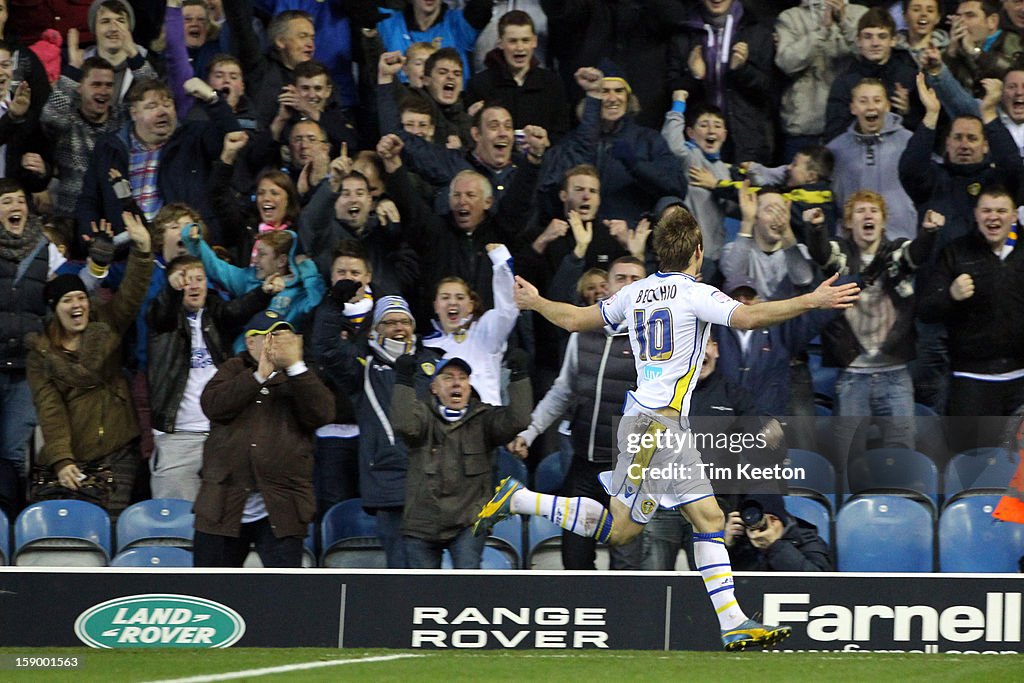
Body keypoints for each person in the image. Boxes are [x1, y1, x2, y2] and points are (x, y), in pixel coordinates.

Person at [476, 206, 860, 650]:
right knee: (631, 528)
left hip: (655, 423)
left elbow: (575, 321)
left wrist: (538, 301)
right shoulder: (695, 294)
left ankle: (732, 621)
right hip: (655, 426)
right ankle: (521, 499)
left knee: (702, 518)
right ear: (698, 252)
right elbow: (751, 318)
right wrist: (813, 300)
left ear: (659, 253)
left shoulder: (635, 293)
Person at [508, 256, 646, 570]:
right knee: (575, 562)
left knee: (626, 567)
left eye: (636, 279)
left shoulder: (656, 340)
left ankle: (622, 621)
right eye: (621, 278)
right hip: (583, 464)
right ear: (608, 286)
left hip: (628, 472)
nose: (628, 285)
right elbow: (562, 392)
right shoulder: (582, 334)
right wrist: (529, 432)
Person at [25, 211, 153, 515]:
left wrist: (143, 251)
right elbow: (50, 409)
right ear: (55, 309)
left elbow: (132, 293)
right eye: (68, 300)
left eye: (81, 298)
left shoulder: (106, 324)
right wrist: (62, 459)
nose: (77, 305)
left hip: (118, 448)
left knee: (108, 525)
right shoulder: (41, 354)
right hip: (71, 453)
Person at [193, 311, 334, 567]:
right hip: (223, 501)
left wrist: (295, 367)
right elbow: (212, 405)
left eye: (285, 337)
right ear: (251, 342)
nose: (278, 344)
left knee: (282, 593)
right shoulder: (234, 368)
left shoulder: (302, 378)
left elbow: (322, 414)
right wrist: (257, 376)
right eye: (271, 337)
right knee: (212, 589)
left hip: (282, 503)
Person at [146, 254, 272, 501]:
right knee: (175, 522)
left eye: (199, 279)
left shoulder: (216, 312)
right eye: (185, 280)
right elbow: (162, 314)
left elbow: (237, 310)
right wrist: (171, 292)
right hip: (178, 436)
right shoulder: (162, 320)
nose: (193, 285)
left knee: (229, 518)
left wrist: (263, 293)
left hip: (223, 432)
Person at [392, 352, 531, 569]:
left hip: (468, 521)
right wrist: (403, 381)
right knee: (420, 592)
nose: (456, 382)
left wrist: (520, 378)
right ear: (434, 388)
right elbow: (403, 424)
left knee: (467, 585)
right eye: (448, 377)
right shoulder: (422, 416)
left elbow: (519, 420)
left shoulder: (484, 418)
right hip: (422, 523)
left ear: (468, 386)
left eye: (463, 377)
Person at [918, 187, 1024, 422]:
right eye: (986, 210)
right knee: (973, 457)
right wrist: (950, 295)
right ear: (976, 214)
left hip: (1021, 378)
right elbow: (925, 310)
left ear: (1014, 216)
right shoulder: (955, 252)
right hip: (971, 379)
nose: (993, 216)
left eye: (1001, 210)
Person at [0, 179, 65, 489]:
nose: (15, 207)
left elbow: (69, 293)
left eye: (19, 201)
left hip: (28, 368)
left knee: (14, 450)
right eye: (6, 202)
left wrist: (97, 265)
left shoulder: (45, 248)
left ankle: (10, 523)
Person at [774, 0, 869, 159]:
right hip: (804, 127)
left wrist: (844, 23)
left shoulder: (861, 15)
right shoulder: (790, 18)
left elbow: (871, 56)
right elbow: (786, 63)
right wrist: (821, 31)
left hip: (850, 126)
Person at [827, 78, 918, 241]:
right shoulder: (836, 149)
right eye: (863, 101)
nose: (871, 106)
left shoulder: (910, 142)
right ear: (853, 108)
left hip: (902, 238)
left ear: (888, 106)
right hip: (855, 245)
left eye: (877, 100)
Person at [465, 10, 569, 140]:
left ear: (534, 42)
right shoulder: (479, 85)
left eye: (525, 40)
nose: (520, 47)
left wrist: (544, 146)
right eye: (513, 41)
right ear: (500, 43)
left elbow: (561, 133)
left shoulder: (552, 83)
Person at [724, 493, 833, 571]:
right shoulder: (742, 543)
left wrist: (775, 546)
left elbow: (820, 585)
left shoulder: (806, 540)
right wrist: (726, 546)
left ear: (775, 519)